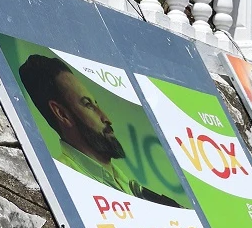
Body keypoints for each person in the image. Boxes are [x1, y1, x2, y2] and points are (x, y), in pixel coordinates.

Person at [19, 54, 180, 207]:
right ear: (62, 114)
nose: (106, 118)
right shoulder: (65, 180)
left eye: (96, 104)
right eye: (88, 105)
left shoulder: (132, 187)